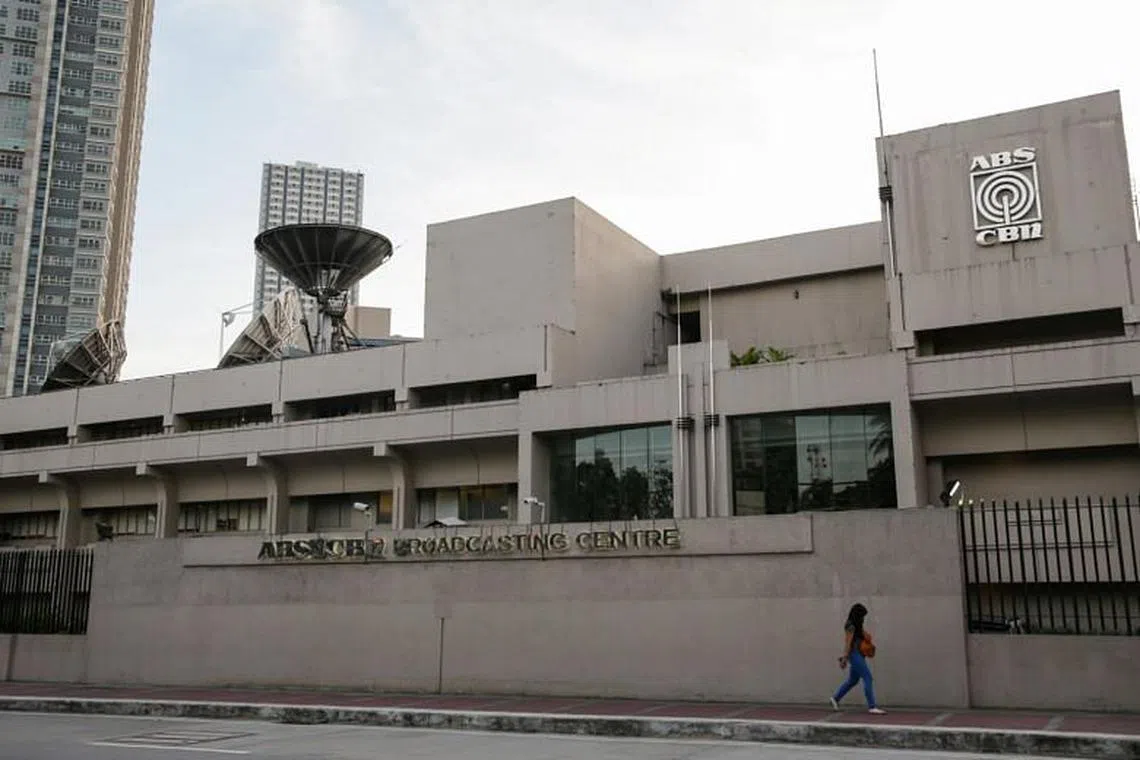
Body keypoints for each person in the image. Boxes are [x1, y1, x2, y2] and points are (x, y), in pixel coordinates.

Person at [829, 602, 886, 715]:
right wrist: (845, 658)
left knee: (853, 680)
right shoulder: (851, 626)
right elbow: (848, 643)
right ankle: (872, 706)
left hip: (858, 654)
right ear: (857, 615)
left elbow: (864, 637)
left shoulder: (857, 625)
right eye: (862, 616)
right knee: (867, 677)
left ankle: (835, 698)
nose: (863, 619)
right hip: (854, 654)